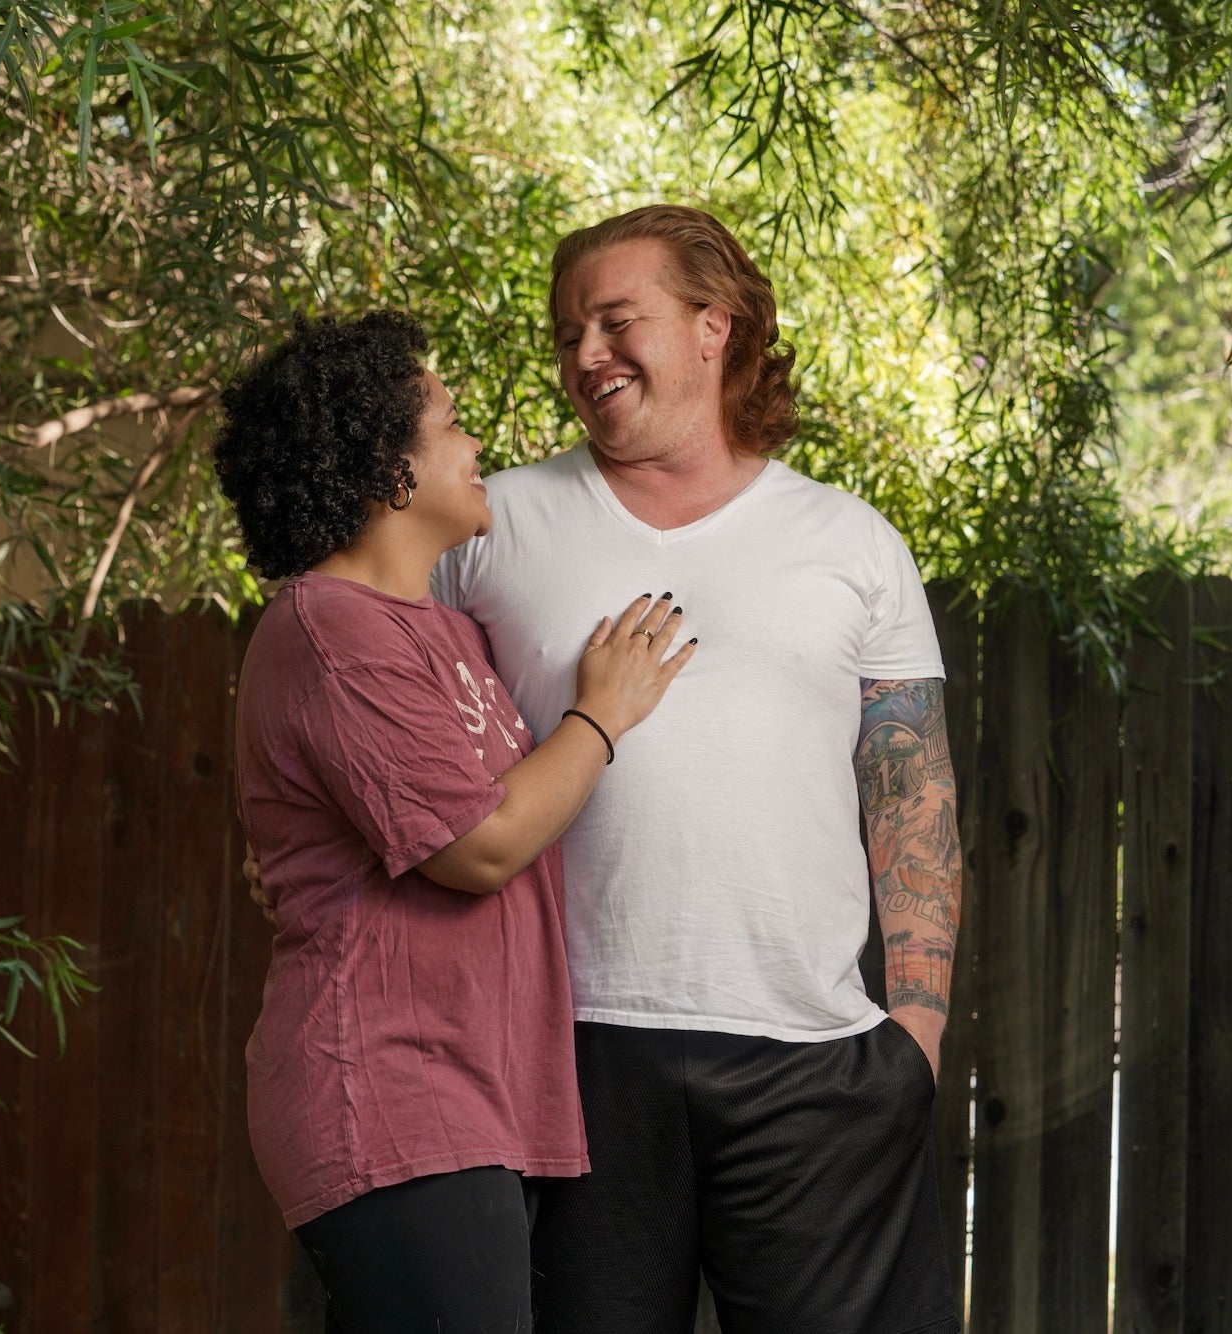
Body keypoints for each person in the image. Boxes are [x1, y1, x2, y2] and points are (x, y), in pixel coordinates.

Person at [427, 205, 963, 1333]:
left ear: (714, 327)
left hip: (810, 1064)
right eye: (568, 332)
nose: (584, 355)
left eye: (617, 321)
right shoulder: (486, 527)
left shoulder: (850, 543)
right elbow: (400, 746)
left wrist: (911, 1039)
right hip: (559, 1059)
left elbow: (909, 792)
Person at [212, 311, 697, 1334]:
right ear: (388, 468)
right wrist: (599, 714)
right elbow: (477, 846)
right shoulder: (328, 628)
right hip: (385, 1083)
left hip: (472, 1092)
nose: (476, 446)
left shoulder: (442, 629)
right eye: (450, 423)